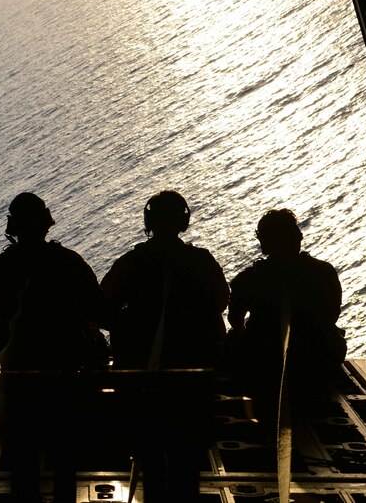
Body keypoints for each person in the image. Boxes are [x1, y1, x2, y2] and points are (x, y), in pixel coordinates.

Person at [0, 192, 107, 503]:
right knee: (65, 468)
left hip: (19, 381)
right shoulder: (69, 262)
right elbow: (101, 311)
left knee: (23, 473)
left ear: (12, 227)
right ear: (46, 224)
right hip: (65, 377)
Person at [99, 189, 229, 503]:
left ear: (148, 221)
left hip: (143, 381)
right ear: (184, 221)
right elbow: (221, 301)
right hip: (193, 378)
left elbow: (102, 310)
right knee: (187, 464)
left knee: (152, 461)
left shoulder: (131, 263)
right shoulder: (201, 261)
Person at [227, 208, 346, 431]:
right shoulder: (324, 272)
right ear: (297, 237)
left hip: (268, 369)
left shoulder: (249, 279)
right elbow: (332, 315)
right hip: (320, 363)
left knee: (233, 339)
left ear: (264, 243)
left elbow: (235, 320)